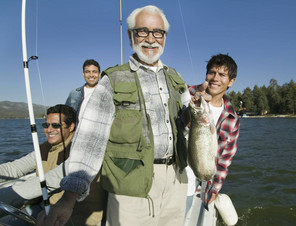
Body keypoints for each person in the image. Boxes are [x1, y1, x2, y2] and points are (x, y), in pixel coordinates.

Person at [37, 5, 192, 226]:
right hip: (129, 186)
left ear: (164, 37)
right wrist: (69, 197)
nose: (151, 39)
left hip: (177, 181)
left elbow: (186, 129)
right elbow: (91, 140)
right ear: (130, 35)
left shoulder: (177, 79)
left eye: (158, 32)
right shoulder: (111, 80)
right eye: (142, 31)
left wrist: (195, 113)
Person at [0, 105, 106, 226]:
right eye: (46, 125)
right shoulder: (46, 148)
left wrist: (6, 195)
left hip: (72, 217)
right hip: (44, 207)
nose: (49, 130)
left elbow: (50, 181)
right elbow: (14, 168)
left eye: (55, 125)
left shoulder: (82, 151)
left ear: (71, 126)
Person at [185, 53, 240, 225]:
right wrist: (191, 104)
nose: (215, 78)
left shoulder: (232, 118)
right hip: (171, 175)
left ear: (231, 81)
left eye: (222, 74)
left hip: (191, 184)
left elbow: (225, 159)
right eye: (212, 72)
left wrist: (214, 189)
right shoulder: (185, 93)